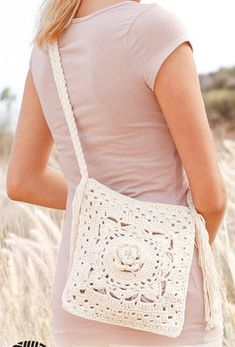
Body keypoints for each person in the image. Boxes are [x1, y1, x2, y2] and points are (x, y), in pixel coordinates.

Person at [7, 0, 227, 346]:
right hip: (166, 302)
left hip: (81, 292)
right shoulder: (155, 29)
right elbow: (211, 199)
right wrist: (172, 259)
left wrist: (102, 209)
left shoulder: (47, 46)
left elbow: (23, 182)